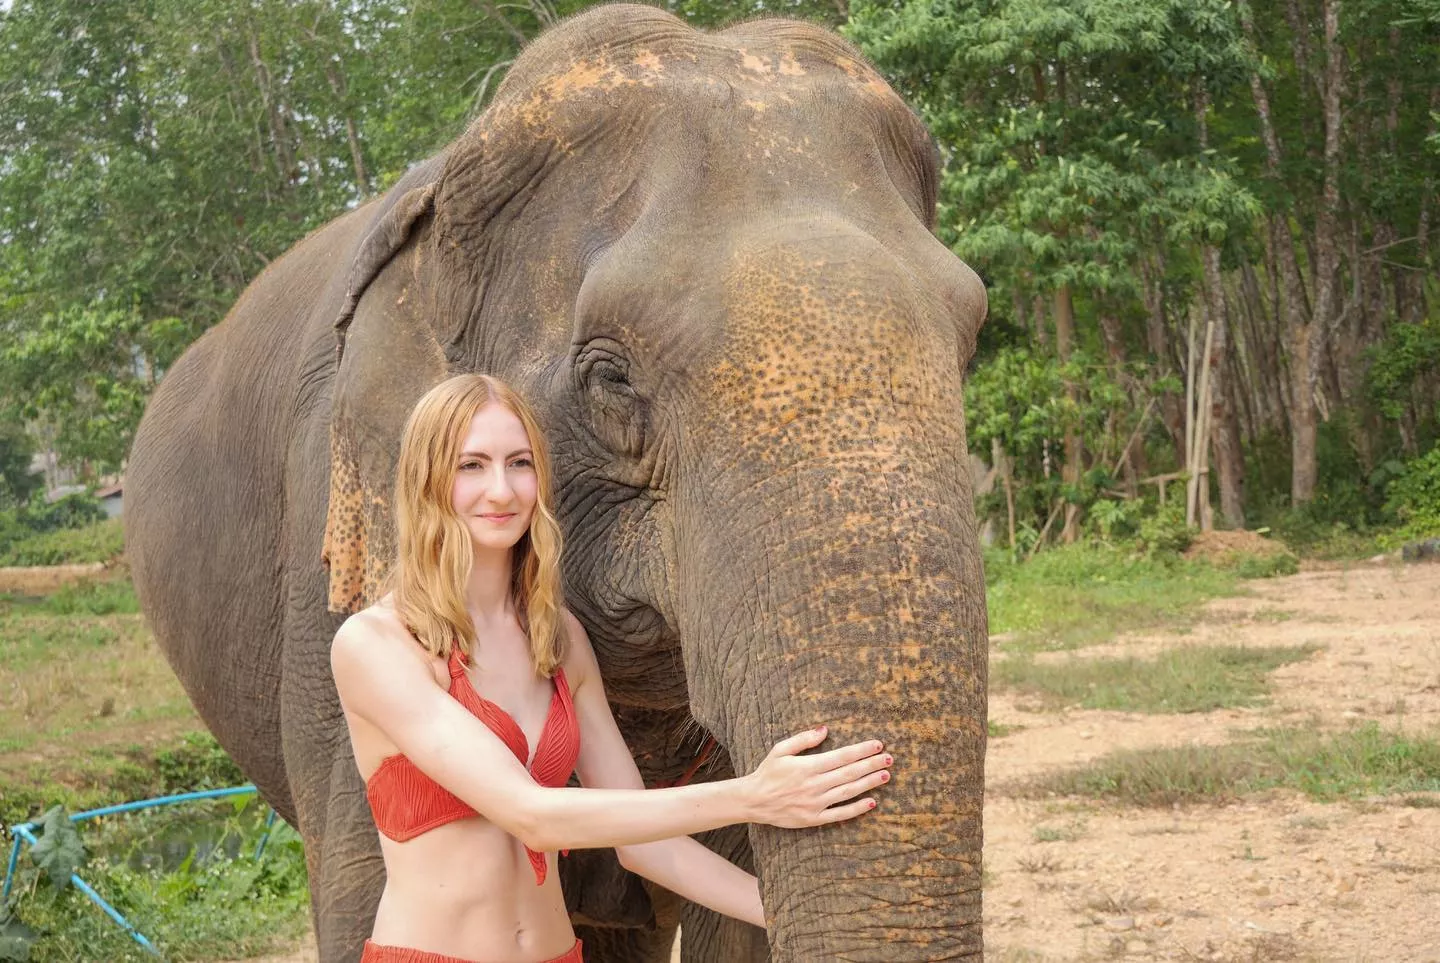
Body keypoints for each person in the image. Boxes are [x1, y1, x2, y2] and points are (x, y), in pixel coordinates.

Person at [331, 374, 892, 963]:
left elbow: (646, 849)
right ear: (426, 480)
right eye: (471, 465)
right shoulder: (377, 645)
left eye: (519, 463)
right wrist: (754, 796)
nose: (501, 490)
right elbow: (533, 815)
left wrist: (804, 920)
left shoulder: (559, 639)